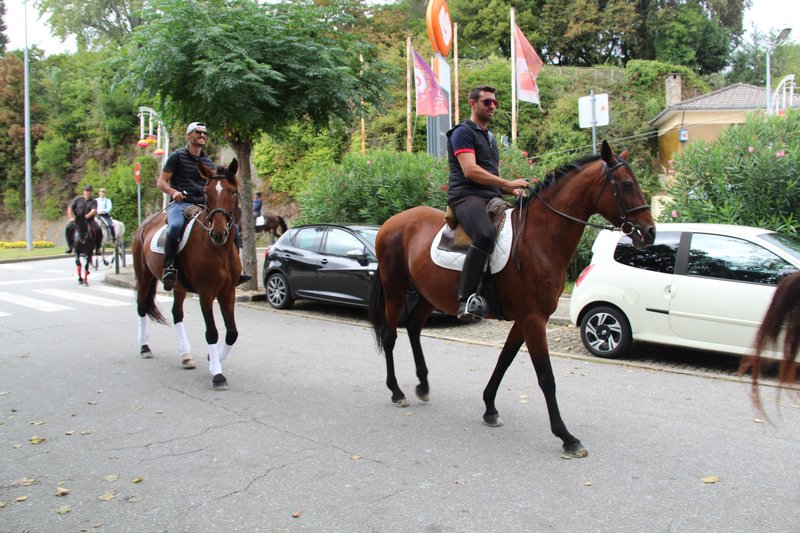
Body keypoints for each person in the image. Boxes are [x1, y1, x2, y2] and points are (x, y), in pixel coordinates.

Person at [446, 85, 529, 321]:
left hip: (491, 196)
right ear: (473, 104)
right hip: (466, 195)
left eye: (495, 102)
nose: (493, 106)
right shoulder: (462, 132)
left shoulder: (490, 138)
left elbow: (494, 178)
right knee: (484, 234)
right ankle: (465, 300)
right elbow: (470, 171)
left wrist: (513, 188)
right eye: (487, 102)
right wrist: (506, 181)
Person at [156, 121, 251, 291]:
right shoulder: (176, 156)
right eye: (198, 132)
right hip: (181, 203)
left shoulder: (207, 161)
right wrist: (172, 192)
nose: (202, 136)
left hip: (202, 205)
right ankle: (169, 268)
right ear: (188, 135)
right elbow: (161, 182)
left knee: (234, 230)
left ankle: (236, 270)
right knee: (176, 227)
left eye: (204, 134)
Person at [65, 185, 102, 254]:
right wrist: (71, 218)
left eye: (89, 191)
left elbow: (93, 211)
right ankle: (70, 246)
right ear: (84, 191)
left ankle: (98, 248)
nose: (88, 192)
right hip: (78, 220)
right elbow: (70, 208)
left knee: (98, 229)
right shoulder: (78, 199)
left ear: (91, 192)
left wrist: (85, 217)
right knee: (68, 228)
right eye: (86, 191)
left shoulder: (94, 201)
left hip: (89, 221)